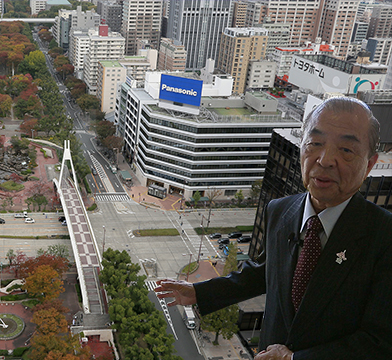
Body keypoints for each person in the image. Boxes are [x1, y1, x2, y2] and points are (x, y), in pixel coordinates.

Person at [155, 97, 392, 359]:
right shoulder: (280, 210)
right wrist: (200, 292)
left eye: (346, 150)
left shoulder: (383, 235)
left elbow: (380, 341)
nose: (325, 160)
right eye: (315, 143)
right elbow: (267, 273)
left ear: (369, 164)